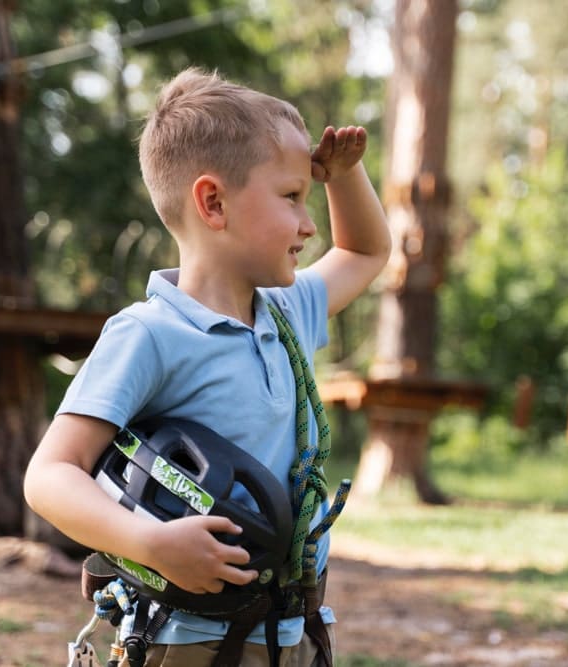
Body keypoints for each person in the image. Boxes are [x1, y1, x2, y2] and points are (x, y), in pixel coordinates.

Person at [24, 66, 391, 667]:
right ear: (213, 202)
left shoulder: (287, 311)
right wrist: (149, 542)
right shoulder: (149, 335)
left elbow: (365, 251)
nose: (309, 224)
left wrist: (343, 177)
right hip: (184, 641)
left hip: (291, 632)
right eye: (291, 196)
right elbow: (49, 474)